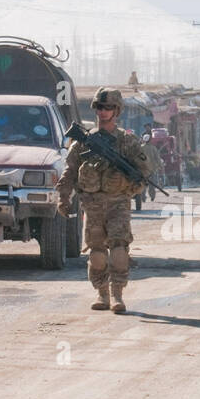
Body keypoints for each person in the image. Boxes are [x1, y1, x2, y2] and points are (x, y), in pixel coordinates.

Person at [56, 88, 151, 313]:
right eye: (99, 107)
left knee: (119, 249)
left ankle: (117, 293)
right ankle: (102, 293)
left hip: (118, 202)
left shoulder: (127, 142)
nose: (103, 111)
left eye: (108, 108)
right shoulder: (83, 142)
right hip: (93, 204)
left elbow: (143, 172)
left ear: (116, 111)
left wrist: (134, 183)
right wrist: (62, 196)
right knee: (97, 252)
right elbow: (69, 171)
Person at [140, 132, 163, 202]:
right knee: (152, 184)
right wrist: (160, 165)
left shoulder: (141, 147)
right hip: (152, 169)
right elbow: (157, 158)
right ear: (149, 140)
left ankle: (143, 197)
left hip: (143, 169)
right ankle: (152, 196)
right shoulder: (153, 148)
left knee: (143, 184)